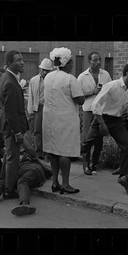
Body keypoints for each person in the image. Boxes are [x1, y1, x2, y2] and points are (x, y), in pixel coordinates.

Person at [81, 62, 128, 179]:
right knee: (87, 143)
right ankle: (78, 160)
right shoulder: (112, 86)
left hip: (117, 121)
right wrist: (102, 124)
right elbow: (96, 104)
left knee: (127, 145)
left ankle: (125, 176)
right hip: (101, 118)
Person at [43, 47, 85, 194]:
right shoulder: (70, 79)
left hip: (49, 118)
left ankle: (55, 182)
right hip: (65, 119)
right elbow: (80, 99)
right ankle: (66, 184)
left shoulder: (48, 77)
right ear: (67, 63)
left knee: (53, 151)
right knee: (64, 151)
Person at [0, 50, 29, 198]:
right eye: (17, 60)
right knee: (12, 158)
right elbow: (10, 112)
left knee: (9, 156)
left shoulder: (8, 77)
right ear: (9, 64)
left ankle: (3, 182)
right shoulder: (9, 81)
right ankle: (9, 190)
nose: (21, 62)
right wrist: (17, 133)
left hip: (9, 124)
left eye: (22, 59)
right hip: (11, 126)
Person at [77, 51, 112, 175]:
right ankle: (85, 164)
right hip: (88, 110)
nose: (98, 62)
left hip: (101, 111)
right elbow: (78, 95)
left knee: (99, 138)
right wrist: (92, 92)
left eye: (99, 60)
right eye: (95, 60)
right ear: (89, 61)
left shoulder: (105, 74)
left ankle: (94, 164)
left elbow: (111, 90)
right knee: (87, 138)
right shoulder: (82, 76)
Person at [27, 58, 53, 159]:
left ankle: (47, 153)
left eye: (47, 70)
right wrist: (30, 111)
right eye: (43, 70)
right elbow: (31, 96)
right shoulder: (34, 80)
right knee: (38, 131)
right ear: (40, 69)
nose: (44, 72)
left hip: (49, 108)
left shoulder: (52, 81)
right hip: (38, 108)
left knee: (48, 131)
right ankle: (38, 153)